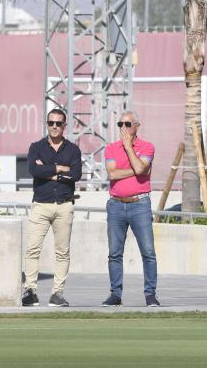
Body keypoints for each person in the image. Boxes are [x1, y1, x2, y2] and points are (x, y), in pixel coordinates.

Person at [22, 108, 82, 307]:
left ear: (64, 126)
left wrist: (47, 170)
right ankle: (30, 291)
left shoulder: (73, 150)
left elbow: (76, 175)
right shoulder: (36, 147)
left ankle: (57, 293)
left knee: (62, 252)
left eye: (58, 123)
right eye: (51, 123)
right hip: (41, 205)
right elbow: (33, 170)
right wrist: (59, 169)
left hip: (64, 206)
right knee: (32, 249)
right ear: (47, 124)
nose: (54, 127)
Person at [101, 111, 160, 307]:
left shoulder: (147, 146)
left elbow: (142, 169)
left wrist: (128, 149)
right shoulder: (110, 148)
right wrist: (137, 169)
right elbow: (112, 173)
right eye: (120, 124)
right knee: (114, 253)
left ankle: (150, 294)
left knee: (148, 252)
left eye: (127, 124)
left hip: (140, 204)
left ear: (136, 126)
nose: (123, 128)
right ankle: (115, 294)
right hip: (116, 204)